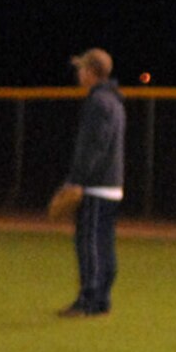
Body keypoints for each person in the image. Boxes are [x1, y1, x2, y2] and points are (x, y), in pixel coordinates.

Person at [50, 47, 126, 317]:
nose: (78, 73)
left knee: (89, 243)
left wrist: (76, 181)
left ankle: (89, 300)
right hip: (110, 185)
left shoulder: (99, 102)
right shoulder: (113, 100)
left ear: (93, 72)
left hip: (97, 185)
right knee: (103, 242)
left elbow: (94, 146)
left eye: (82, 68)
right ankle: (102, 299)